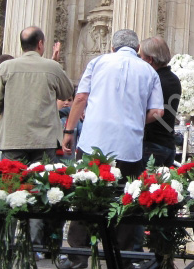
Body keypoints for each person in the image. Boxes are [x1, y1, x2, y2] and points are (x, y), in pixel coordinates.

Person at [59, 29, 164, 269]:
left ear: (112, 47)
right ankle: (122, 258)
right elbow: (158, 111)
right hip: (129, 145)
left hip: (95, 142)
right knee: (125, 199)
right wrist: (137, 120)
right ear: (138, 49)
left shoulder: (97, 62)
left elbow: (80, 98)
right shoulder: (148, 71)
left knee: (87, 197)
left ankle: (77, 257)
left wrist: (69, 131)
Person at [0, 27, 74, 163]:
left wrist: (7, 113)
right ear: (40, 44)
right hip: (44, 139)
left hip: (13, 137)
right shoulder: (52, 67)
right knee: (41, 181)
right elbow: (67, 92)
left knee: (12, 181)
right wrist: (55, 64)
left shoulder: (6, 67)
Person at [138, 36, 182, 168]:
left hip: (151, 145)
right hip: (167, 144)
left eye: (141, 57)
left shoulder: (154, 80)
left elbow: (153, 112)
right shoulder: (174, 79)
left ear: (150, 59)